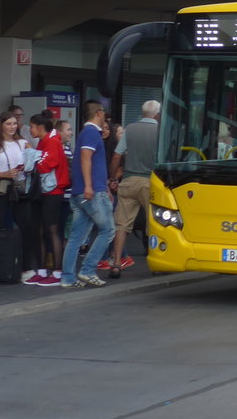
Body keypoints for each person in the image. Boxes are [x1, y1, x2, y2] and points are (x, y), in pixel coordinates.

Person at [0, 110, 41, 281]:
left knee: (26, 227)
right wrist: (5, 174)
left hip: (19, 189)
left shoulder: (23, 142)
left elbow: (36, 159)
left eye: (14, 123)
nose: (12, 127)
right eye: (8, 124)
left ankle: (26, 267)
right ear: (1, 125)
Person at [61, 101, 115, 288]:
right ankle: (88, 270)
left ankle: (68, 277)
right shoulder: (92, 133)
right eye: (104, 113)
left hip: (80, 192)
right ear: (98, 113)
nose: (105, 116)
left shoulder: (86, 133)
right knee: (108, 230)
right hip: (91, 192)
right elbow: (86, 157)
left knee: (76, 237)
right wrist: (90, 186)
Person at [106, 100, 159, 279]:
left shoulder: (130, 129)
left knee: (121, 224)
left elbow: (116, 155)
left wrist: (113, 178)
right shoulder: (160, 131)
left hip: (128, 180)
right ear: (157, 115)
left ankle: (116, 264)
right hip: (150, 182)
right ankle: (156, 262)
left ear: (143, 113)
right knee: (154, 224)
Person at [28, 112, 69, 286]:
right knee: (40, 231)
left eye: (31, 126)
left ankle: (58, 272)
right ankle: (43, 270)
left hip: (53, 192)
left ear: (39, 127)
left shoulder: (52, 142)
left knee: (52, 231)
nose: (29, 129)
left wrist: (31, 161)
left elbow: (46, 165)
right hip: (43, 191)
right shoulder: (44, 141)